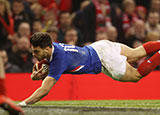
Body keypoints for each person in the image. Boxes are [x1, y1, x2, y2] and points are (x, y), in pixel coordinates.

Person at [19, 32, 160, 105]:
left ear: (48, 48)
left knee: (136, 76)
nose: (34, 54)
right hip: (99, 46)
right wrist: (35, 76)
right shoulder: (52, 46)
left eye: (36, 51)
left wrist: (24, 103)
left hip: (104, 60)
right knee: (136, 54)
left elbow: (44, 90)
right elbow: (45, 63)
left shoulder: (59, 59)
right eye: (33, 51)